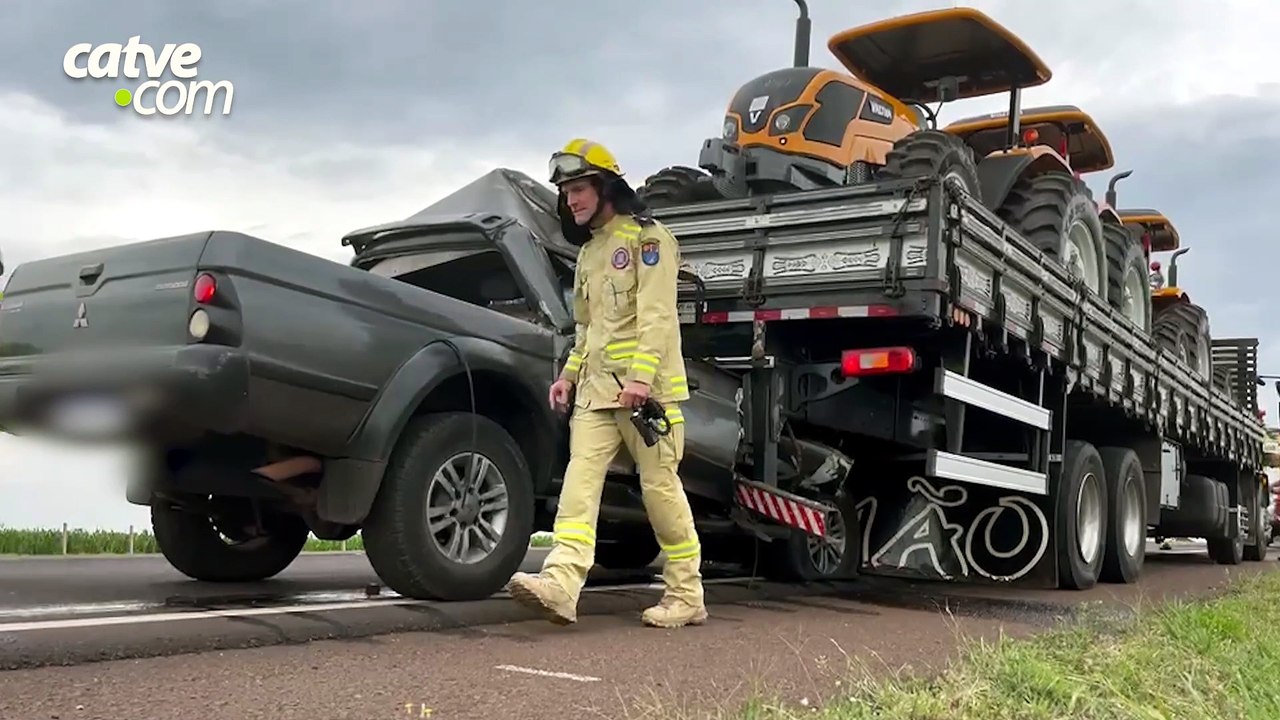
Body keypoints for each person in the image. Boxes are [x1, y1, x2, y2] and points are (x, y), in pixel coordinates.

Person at [505, 138, 707, 629]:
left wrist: (640, 379)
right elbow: (588, 329)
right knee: (579, 483)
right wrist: (569, 375)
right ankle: (561, 584)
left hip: (648, 396)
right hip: (596, 394)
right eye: (566, 190)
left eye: (578, 187)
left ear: (605, 187)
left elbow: (657, 317)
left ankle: (687, 594)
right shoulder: (591, 255)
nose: (570, 199)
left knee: (660, 489)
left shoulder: (650, 239)